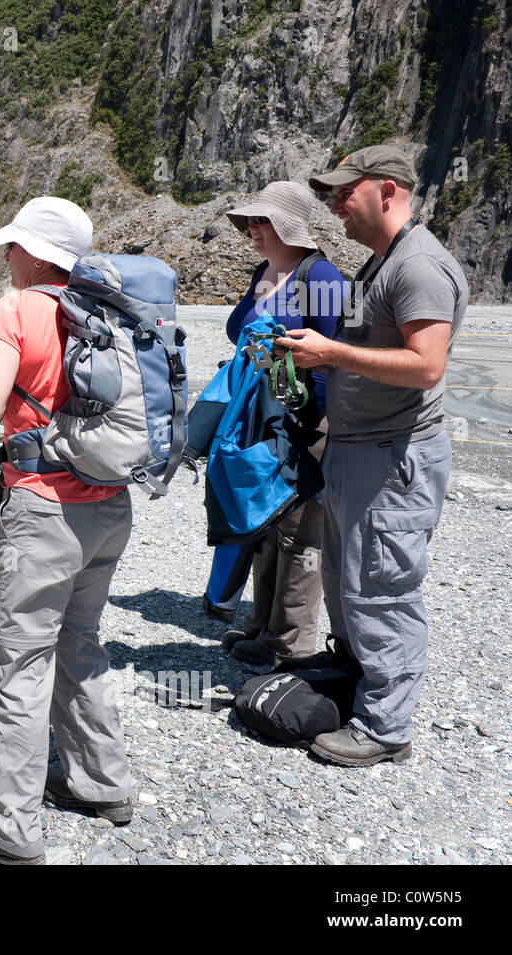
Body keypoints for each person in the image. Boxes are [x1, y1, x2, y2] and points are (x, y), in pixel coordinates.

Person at [0, 197, 135, 864]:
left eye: (12, 247)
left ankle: (9, 829)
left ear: (34, 252)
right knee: (80, 642)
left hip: (44, 511)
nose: (6, 257)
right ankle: (103, 781)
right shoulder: (109, 312)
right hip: (111, 506)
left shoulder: (18, 309)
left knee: (20, 663)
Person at [279, 145, 467, 766]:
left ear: (386, 190)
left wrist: (331, 356)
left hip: (393, 457)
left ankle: (386, 727)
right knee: (349, 581)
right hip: (358, 452)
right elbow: (365, 343)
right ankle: (359, 677)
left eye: (343, 192)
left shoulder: (417, 267)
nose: (334, 205)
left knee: (383, 588)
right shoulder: (377, 264)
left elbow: (426, 365)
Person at [217, 180, 346, 666]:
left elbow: (332, 359)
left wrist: (314, 425)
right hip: (262, 417)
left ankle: (288, 642)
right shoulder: (265, 271)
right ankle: (261, 625)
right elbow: (241, 331)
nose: (251, 229)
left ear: (290, 225)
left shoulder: (324, 277)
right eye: (249, 220)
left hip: (304, 423)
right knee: (266, 523)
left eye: (261, 221)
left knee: (298, 532)